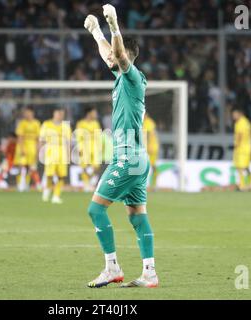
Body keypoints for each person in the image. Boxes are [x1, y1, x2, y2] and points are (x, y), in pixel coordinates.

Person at [83, 4, 157, 288]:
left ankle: (111, 266)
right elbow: (109, 54)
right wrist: (96, 32)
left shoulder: (133, 77)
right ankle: (149, 272)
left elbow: (119, 56)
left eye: (116, 55)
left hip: (128, 159)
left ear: (125, 56)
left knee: (95, 210)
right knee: (137, 215)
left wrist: (114, 26)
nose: (110, 58)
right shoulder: (120, 76)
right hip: (138, 160)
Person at [39, 107, 71, 204]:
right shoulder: (46, 124)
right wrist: (40, 152)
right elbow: (41, 140)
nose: (60, 115)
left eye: (62, 114)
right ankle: (47, 189)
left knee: (61, 176)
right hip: (50, 151)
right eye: (58, 113)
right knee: (49, 175)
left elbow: (68, 142)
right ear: (54, 114)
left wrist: (69, 155)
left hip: (62, 152)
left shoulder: (66, 126)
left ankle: (56, 196)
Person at [15, 107, 41, 192]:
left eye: (28, 113)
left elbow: (38, 138)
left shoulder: (36, 123)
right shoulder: (22, 123)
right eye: (25, 113)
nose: (27, 115)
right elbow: (20, 137)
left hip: (32, 147)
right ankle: (20, 184)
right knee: (21, 166)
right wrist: (22, 148)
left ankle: (26, 184)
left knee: (31, 168)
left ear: (32, 113)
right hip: (23, 146)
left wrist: (38, 150)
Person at [75, 107, 102, 192]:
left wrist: (100, 147)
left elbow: (98, 137)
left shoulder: (96, 123)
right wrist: (79, 148)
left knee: (96, 167)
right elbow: (78, 137)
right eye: (94, 113)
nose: (96, 114)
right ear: (89, 113)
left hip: (94, 148)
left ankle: (90, 181)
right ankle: (86, 184)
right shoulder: (81, 124)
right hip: (84, 147)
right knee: (84, 167)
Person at [232, 108, 251, 191]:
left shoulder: (240, 123)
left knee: (239, 167)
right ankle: (250, 183)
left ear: (240, 114)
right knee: (246, 167)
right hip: (248, 147)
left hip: (241, 148)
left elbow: (240, 135)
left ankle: (241, 185)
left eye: (234, 114)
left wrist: (237, 145)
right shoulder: (247, 122)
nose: (233, 116)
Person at [143, 113, 159, 189]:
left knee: (152, 166)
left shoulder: (148, 122)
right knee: (152, 166)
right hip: (151, 147)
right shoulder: (147, 122)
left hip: (150, 148)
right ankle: (153, 184)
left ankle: (154, 184)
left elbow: (148, 134)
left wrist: (146, 146)